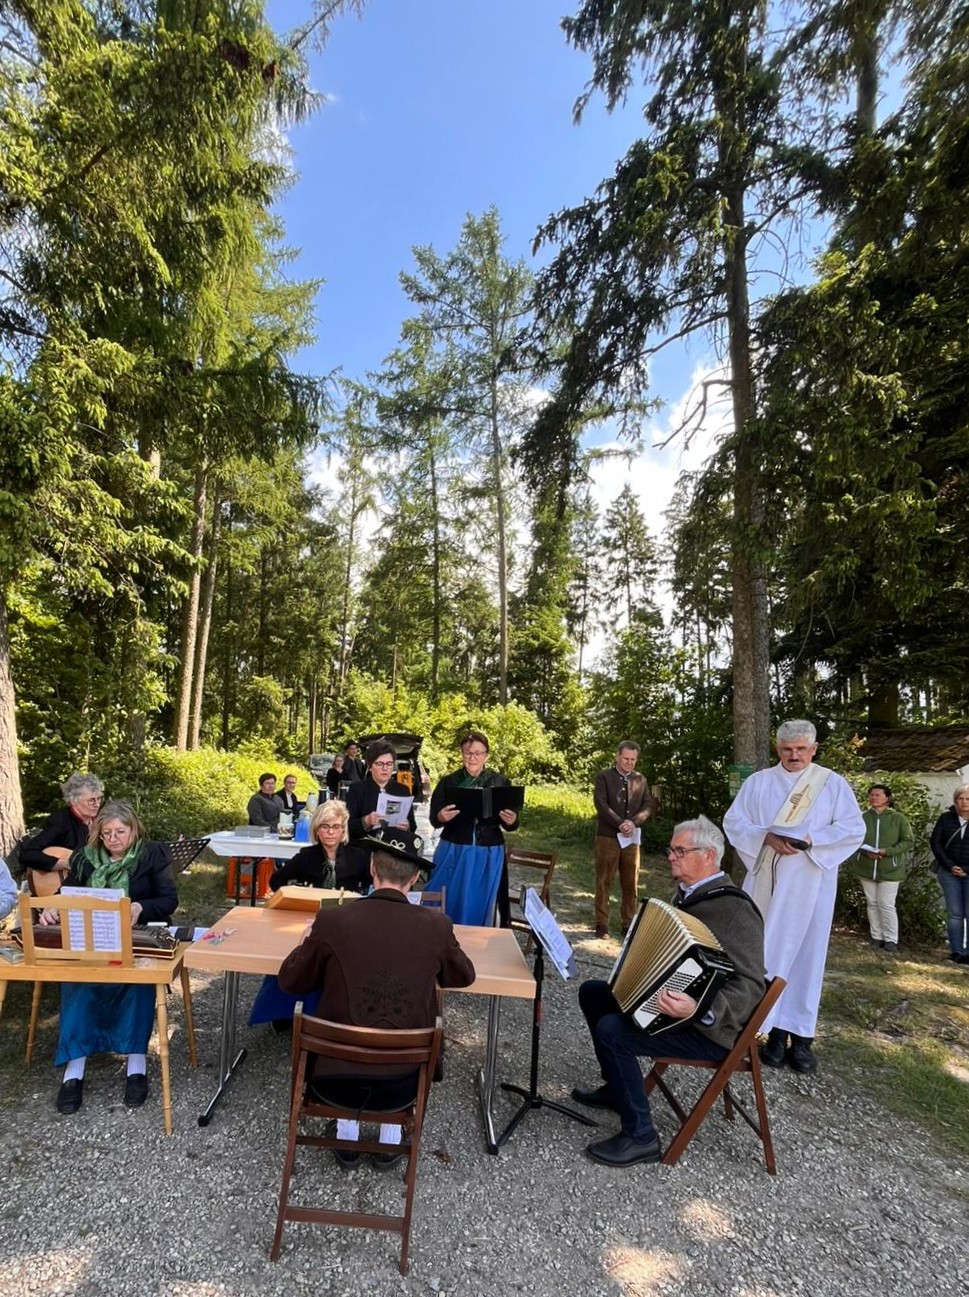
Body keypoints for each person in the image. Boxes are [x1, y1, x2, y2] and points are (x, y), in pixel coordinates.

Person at [572, 815, 766, 1167]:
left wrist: (700, 1008)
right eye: (671, 850)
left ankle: (641, 1136)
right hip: (674, 1009)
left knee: (613, 1030)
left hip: (708, 1028)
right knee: (594, 993)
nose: (671, 857)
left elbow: (751, 985)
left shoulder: (735, 910)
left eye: (680, 851)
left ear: (708, 856)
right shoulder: (689, 896)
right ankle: (618, 1089)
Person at [277, 829, 476, 1168]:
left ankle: (347, 1136)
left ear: (372, 869)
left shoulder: (332, 919)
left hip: (335, 1078)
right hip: (403, 1081)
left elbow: (291, 981)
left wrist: (304, 943)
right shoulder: (437, 926)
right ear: (414, 878)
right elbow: (464, 976)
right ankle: (389, 1141)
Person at [723, 719, 865, 1073]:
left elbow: (853, 828)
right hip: (768, 884)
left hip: (812, 883)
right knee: (765, 952)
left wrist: (813, 839)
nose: (794, 755)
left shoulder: (831, 784)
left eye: (801, 749)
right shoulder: (758, 783)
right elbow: (734, 822)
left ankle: (799, 1036)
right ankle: (768, 1031)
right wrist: (766, 838)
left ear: (813, 749)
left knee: (806, 958)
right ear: (778, 749)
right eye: (787, 749)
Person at [38, 800, 178, 1115]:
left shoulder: (152, 854)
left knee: (138, 984)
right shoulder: (85, 859)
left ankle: (136, 1065)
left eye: (120, 832)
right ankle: (74, 1070)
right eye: (107, 833)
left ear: (134, 830)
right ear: (98, 834)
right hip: (94, 938)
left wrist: (140, 906)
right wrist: (53, 907)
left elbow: (169, 899)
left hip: (137, 937)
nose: (113, 839)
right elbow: (67, 893)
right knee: (77, 982)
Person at [425, 731, 519, 927]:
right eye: (468, 753)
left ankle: (478, 940)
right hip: (454, 848)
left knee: (479, 903)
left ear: (486, 755)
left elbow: (512, 823)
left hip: (488, 851)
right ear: (462, 754)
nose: (472, 758)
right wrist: (441, 817)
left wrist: (512, 820)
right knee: (447, 897)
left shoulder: (500, 782)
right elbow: (434, 819)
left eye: (477, 753)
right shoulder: (449, 782)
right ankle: (442, 934)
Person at [592, 741, 654, 939]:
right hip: (608, 837)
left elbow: (647, 806)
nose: (629, 762)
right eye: (626, 758)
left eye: (633, 759)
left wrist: (633, 822)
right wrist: (619, 823)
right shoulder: (604, 777)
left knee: (630, 882)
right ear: (617, 757)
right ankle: (602, 923)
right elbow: (601, 804)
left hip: (631, 838)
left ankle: (628, 923)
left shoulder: (640, 779)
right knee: (604, 880)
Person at [846, 784, 914, 953]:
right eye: (871, 795)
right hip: (866, 867)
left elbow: (907, 841)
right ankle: (876, 937)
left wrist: (887, 851)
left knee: (886, 903)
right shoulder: (862, 817)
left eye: (878, 795)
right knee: (872, 903)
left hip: (890, 869)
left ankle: (891, 940)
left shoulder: (898, 818)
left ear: (887, 798)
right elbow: (853, 838)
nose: (874, 798)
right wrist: (865, 851)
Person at [344, 740, 416, 893]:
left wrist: (406, 826)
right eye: (380, 764)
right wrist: (366, 821)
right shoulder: (357, 789)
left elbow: (413, 825)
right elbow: (346, 827)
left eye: (389, 764)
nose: (385, 768)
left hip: (393, 858)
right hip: (363, 856)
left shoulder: (402, 790)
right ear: (370, 766)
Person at [19, 772, 104, 891]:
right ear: (73, 801)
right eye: (91, 800)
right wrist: (65, 863)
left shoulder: (103, 823)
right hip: (62, 888)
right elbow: (28, 854)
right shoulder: (61, 821)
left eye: (99, 799)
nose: (97, 804)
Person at [929, 785, 969, 964]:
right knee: (955, 913)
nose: (964, 802)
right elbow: (935, 843)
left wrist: (966, 869)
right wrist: (950, 866)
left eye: (968, 799)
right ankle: (956, 951)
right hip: (949, 872)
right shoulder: (946, 818)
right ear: (955, 801)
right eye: (961, 798)